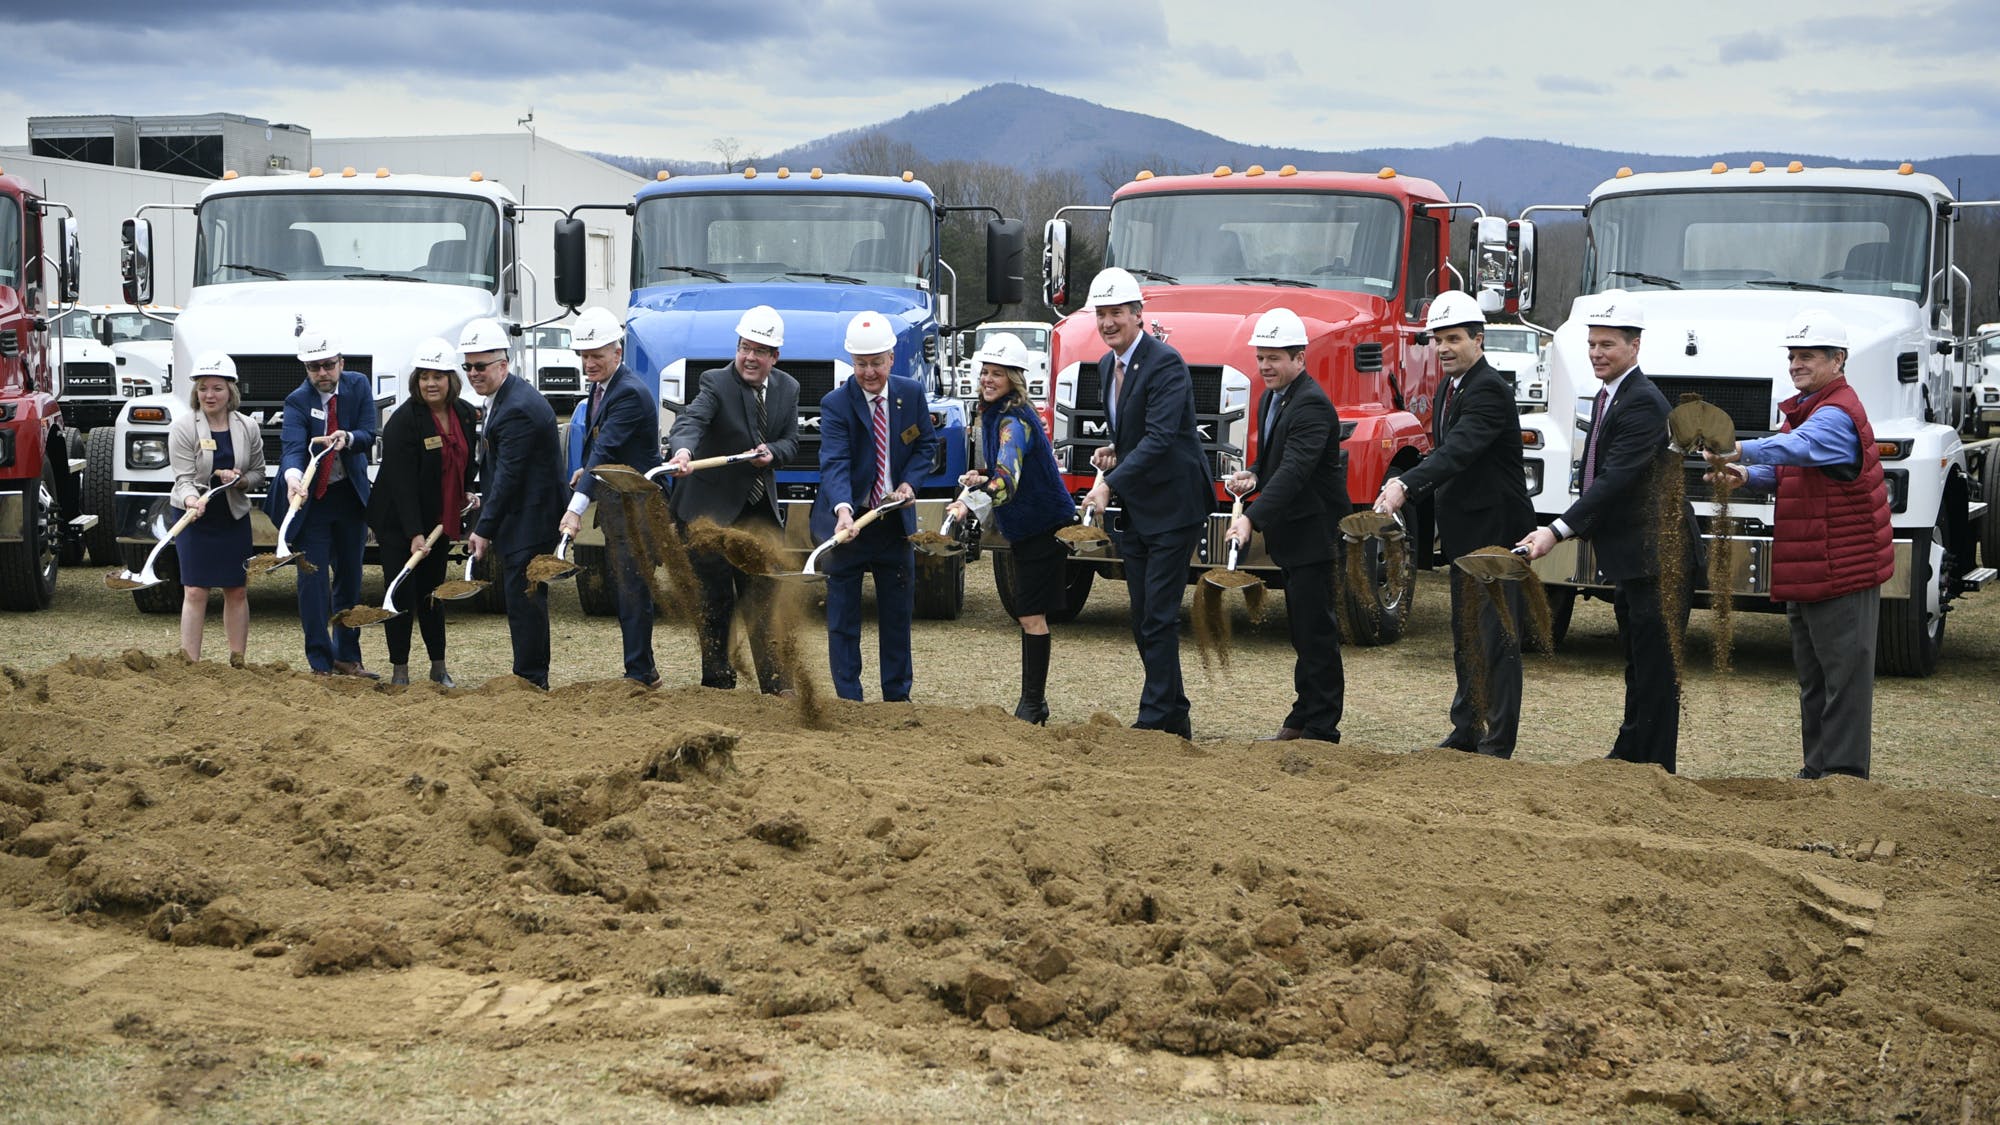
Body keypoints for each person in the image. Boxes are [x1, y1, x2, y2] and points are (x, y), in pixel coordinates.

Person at [1704, 310, 1892, 780]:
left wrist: (1740, 449)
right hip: (1811, 568)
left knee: (1843, 684)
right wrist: (1746, 475)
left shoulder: (1835, 413)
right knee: (1815, 682)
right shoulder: (1809, 408)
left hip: (1841, 571)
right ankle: (1816, 774)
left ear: (1838, 360)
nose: (1795, 364)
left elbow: (1799, 449)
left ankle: (1845, 781)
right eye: (1792, 356)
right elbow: (1789, 468)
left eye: (1807, 355)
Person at [1517, 291, 1694, 772]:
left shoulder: (1641, 403)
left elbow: (1616, 479)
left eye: (1608, 345)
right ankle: (1631, 755)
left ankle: (1655, 769)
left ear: (1635, 347)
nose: (1597, 353)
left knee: (1656, 669)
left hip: (1660, 555)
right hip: (1635, 556)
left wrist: (1556, 530)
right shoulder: (1607, 395)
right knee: (1638, 661)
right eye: (1593, 344)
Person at [1376, 292, 1535, 757]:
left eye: (1453, 339)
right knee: (1466, 634)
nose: (1443, 348)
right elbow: (1443, 453)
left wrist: (1406, 485)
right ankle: (1467, 728)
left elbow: (1461, 449)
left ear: (1478, 339)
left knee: (1497, 638)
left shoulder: (1487, 388)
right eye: (1437, 340)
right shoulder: (1452, 386)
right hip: (1466, 534)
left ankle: (1497, 741)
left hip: (1496, 533)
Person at [1081, 267, 1212, 739]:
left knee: (1157, 614)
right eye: (1102, 314)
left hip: (1175, 506)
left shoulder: (1166, 363)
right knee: (1143, 616)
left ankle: (1155, 719)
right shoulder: (1104, 366)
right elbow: (1139, 435)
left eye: (1117, 313)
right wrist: (1115, 450)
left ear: (1139, 315)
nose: (1108, 322)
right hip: (1140, 506)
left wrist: (1110, 483)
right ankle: (1174, 711)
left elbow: (1160, 439)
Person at [1224, 308, 1346, 744]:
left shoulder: (1311, 404)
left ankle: (1321, 726)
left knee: (1316, 633)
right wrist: (1254, 473)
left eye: (1274, 357)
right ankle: (1303, 713)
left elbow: (1295, 471)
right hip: (1292, 534)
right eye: (1261, 357)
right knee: (1301, 630)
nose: (1265, 366)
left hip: (1313, 534)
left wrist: (1251, 519)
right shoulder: (1271, 397)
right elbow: (1277, 460)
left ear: (1300, 359)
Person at [665, 305, 799, 693]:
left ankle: (775, 685)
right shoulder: (715, 382)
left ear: (774, 357)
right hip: (708, 511)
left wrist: (773, 452)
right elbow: (692, 420)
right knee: (715, 598)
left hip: (756, 513)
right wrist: (683, 452)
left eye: (760, 351)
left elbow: (792, 441)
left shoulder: (788, 388)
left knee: (763, 595)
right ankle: (717, 681)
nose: (749, 357)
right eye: (745, 347)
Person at [947, 332, 1075, 724]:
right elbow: (1004, 469)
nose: (987, 379)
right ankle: (1035, 702)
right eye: (984, 371)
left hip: (1043, 528)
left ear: (1015, 378)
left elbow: (1006, 483)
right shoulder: (998, 413)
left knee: (1030, 614)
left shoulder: (1013, 421)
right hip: (1028, 527)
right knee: (1028, 612)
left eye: (997, 374)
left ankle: (1033, 704)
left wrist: (968, 502)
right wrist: (981, 474)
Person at [810, 312, 938, 702]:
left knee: (896, 617)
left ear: (891, 359)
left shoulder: (911, 395)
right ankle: (849, 699)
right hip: (847, 525)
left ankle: (897, 698)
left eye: (876, 363)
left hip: (892, 523)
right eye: (862, 364)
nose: (869, 372)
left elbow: (925, 447)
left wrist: (909, 482)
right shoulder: (835, 404)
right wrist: (844, 510)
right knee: (843, 618)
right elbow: (835, 461)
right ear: (852, 362)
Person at [265, 325, 378, 677]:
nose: (322, 374)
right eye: (314, 367)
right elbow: (293, 448)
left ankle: (348, 656)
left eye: (328, 365)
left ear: (341, 362)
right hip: (313, 502)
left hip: (349, 498)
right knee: (312, 583)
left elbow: (369, 433)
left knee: (350, 579)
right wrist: (292, 479)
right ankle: (320, 661)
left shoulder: (358, 386)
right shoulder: (297, 400)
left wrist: (349, 437)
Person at [558, 307, 661, 686]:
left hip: (637, 506)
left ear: (617, 353)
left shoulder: (629, 393)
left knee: (633, 588)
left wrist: (575, 510)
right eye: (584, 356)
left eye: (597, 355)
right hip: (619, 500)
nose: (589, 363)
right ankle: (641, 669)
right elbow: (604, 446)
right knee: (625, 586)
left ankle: (640, 674)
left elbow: (606, 450)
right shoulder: (604, 387)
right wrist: (586, 470)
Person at [366, 337, 478, 687]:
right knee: (401, 592)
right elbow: (401, 484)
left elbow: (467, 459)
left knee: (433, 592)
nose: (431, 383)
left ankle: (438, 667)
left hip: (439, 519)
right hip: (399, 521)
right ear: (415, 380)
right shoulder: (404, 421)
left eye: (438, 376)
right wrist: (413, 532)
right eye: (424, 376)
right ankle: (400, 670)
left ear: (451, 379)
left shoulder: (462, 413)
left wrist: (467, 490)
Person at [461, 318, 565, 689]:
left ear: (503, 364)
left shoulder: (516, 408)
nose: (474, 373)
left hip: (530, 519)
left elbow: (508, 477)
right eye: (468, 366)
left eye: (481, 366)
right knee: (523, 598)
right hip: (524, 515)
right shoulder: (504, 398)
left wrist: (483, 528)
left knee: (524, 599)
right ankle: (530, 674)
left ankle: (532, 679)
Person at [168, 352, 265, 665]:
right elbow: (183, 479)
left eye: (217, 388)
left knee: (236, 589)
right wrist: (190, 501)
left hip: (233, 515)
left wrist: (239, 481)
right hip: (194, 517)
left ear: (231, 391)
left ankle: (237, 661)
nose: (209, 395)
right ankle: (189, 664)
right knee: (195, 590)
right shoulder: (183, 428)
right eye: (203, 388)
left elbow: (258, 474)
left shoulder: (248, 427)